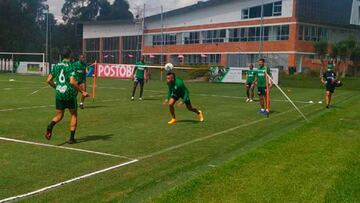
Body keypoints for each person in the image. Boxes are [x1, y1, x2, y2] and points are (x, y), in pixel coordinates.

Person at [45, 49, 89, 144]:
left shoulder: (56, 65)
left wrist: (56, 87)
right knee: (73, 114)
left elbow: (48, 80)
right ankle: (71, 138)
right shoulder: (71, 66)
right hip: (69, 94)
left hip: (59, 94)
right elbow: (72, 81)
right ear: (70, 55)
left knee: (59, 116)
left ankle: (50, 125)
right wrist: (82, 92)